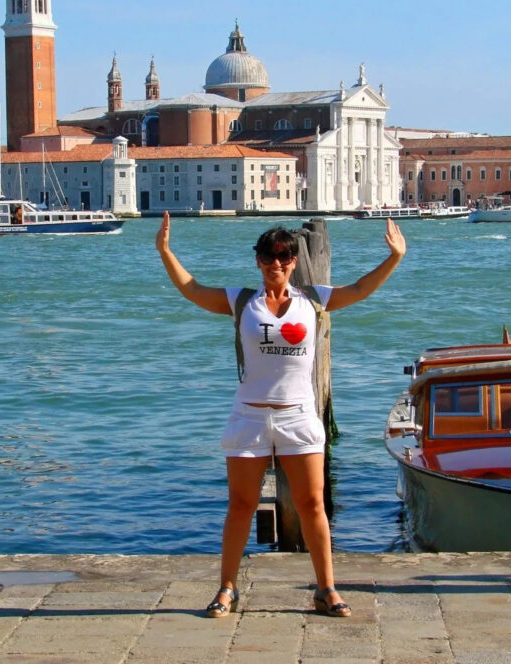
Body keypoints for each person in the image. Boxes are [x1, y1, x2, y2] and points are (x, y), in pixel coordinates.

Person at [156, 212, 406, 618]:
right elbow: (191, 288)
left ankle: (326, 590)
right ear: (257, 260)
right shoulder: (241, 301)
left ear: (293, 261)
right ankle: (226, 589)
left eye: (285, 257)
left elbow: (360, 288)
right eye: (269, 257)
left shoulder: (314, 300)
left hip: (299, 417)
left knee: (312, 504)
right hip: (249, 418)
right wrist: (165, 251)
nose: (277, 263)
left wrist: (394, 258)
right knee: (240, 504)